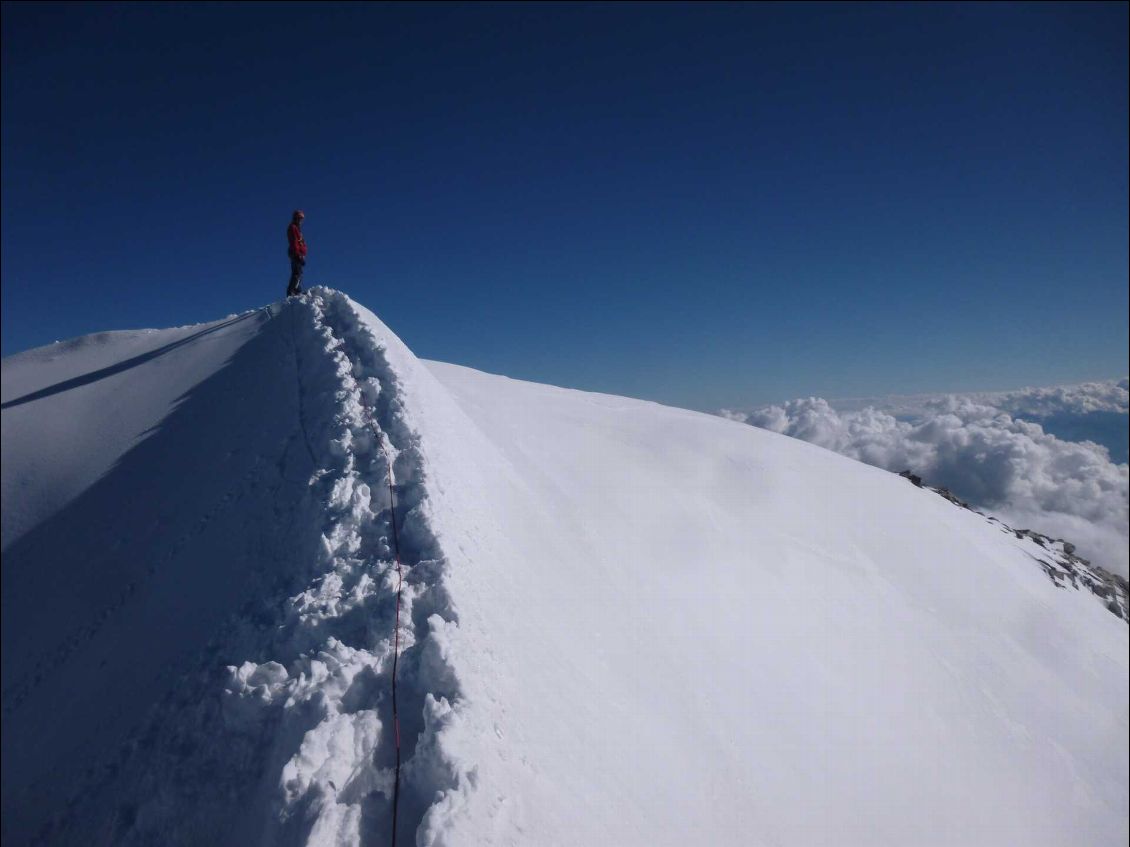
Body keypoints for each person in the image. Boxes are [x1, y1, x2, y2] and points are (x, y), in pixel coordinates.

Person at [286, 210, 308, 296]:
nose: (301, 221)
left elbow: (299, 242)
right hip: (296, 253)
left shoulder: (297, 229)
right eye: (299, 218)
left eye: (302, 219)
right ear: (296, 218)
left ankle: (297, 291)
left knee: (299, 272)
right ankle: (291, 291)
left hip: (298, 253)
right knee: (297, 273)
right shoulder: (293, 227)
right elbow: (294, 241)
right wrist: (298, 254)